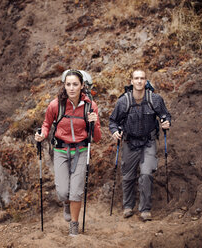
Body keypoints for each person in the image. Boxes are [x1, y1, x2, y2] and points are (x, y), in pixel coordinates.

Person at [35, 69, 101, 236]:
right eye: (68, 84)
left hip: (81, 150)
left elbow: (97, 138)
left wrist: (95, 123)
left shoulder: (90, 106)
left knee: (77, 191)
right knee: (63, 192)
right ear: (64, 86)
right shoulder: (55, 105)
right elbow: (46, 124)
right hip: (61, 150)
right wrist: (42, 134)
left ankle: (74, 225)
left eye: (75, 84)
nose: (71, 88)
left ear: (82, 86)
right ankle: (66, 202)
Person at [109, 69, 171, 221]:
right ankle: (128, 206)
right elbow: (113, 121)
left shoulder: (154, 99)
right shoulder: (123, 101)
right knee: (128, 176)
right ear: (131, 81)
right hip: (129, 142)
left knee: (146, 174)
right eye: (136, 78)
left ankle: (145, 209)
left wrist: (166, 122)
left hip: (149, 142)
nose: (139, 81)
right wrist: (115, 131)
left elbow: (165, 114)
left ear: (145, 81)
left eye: (142, 78)